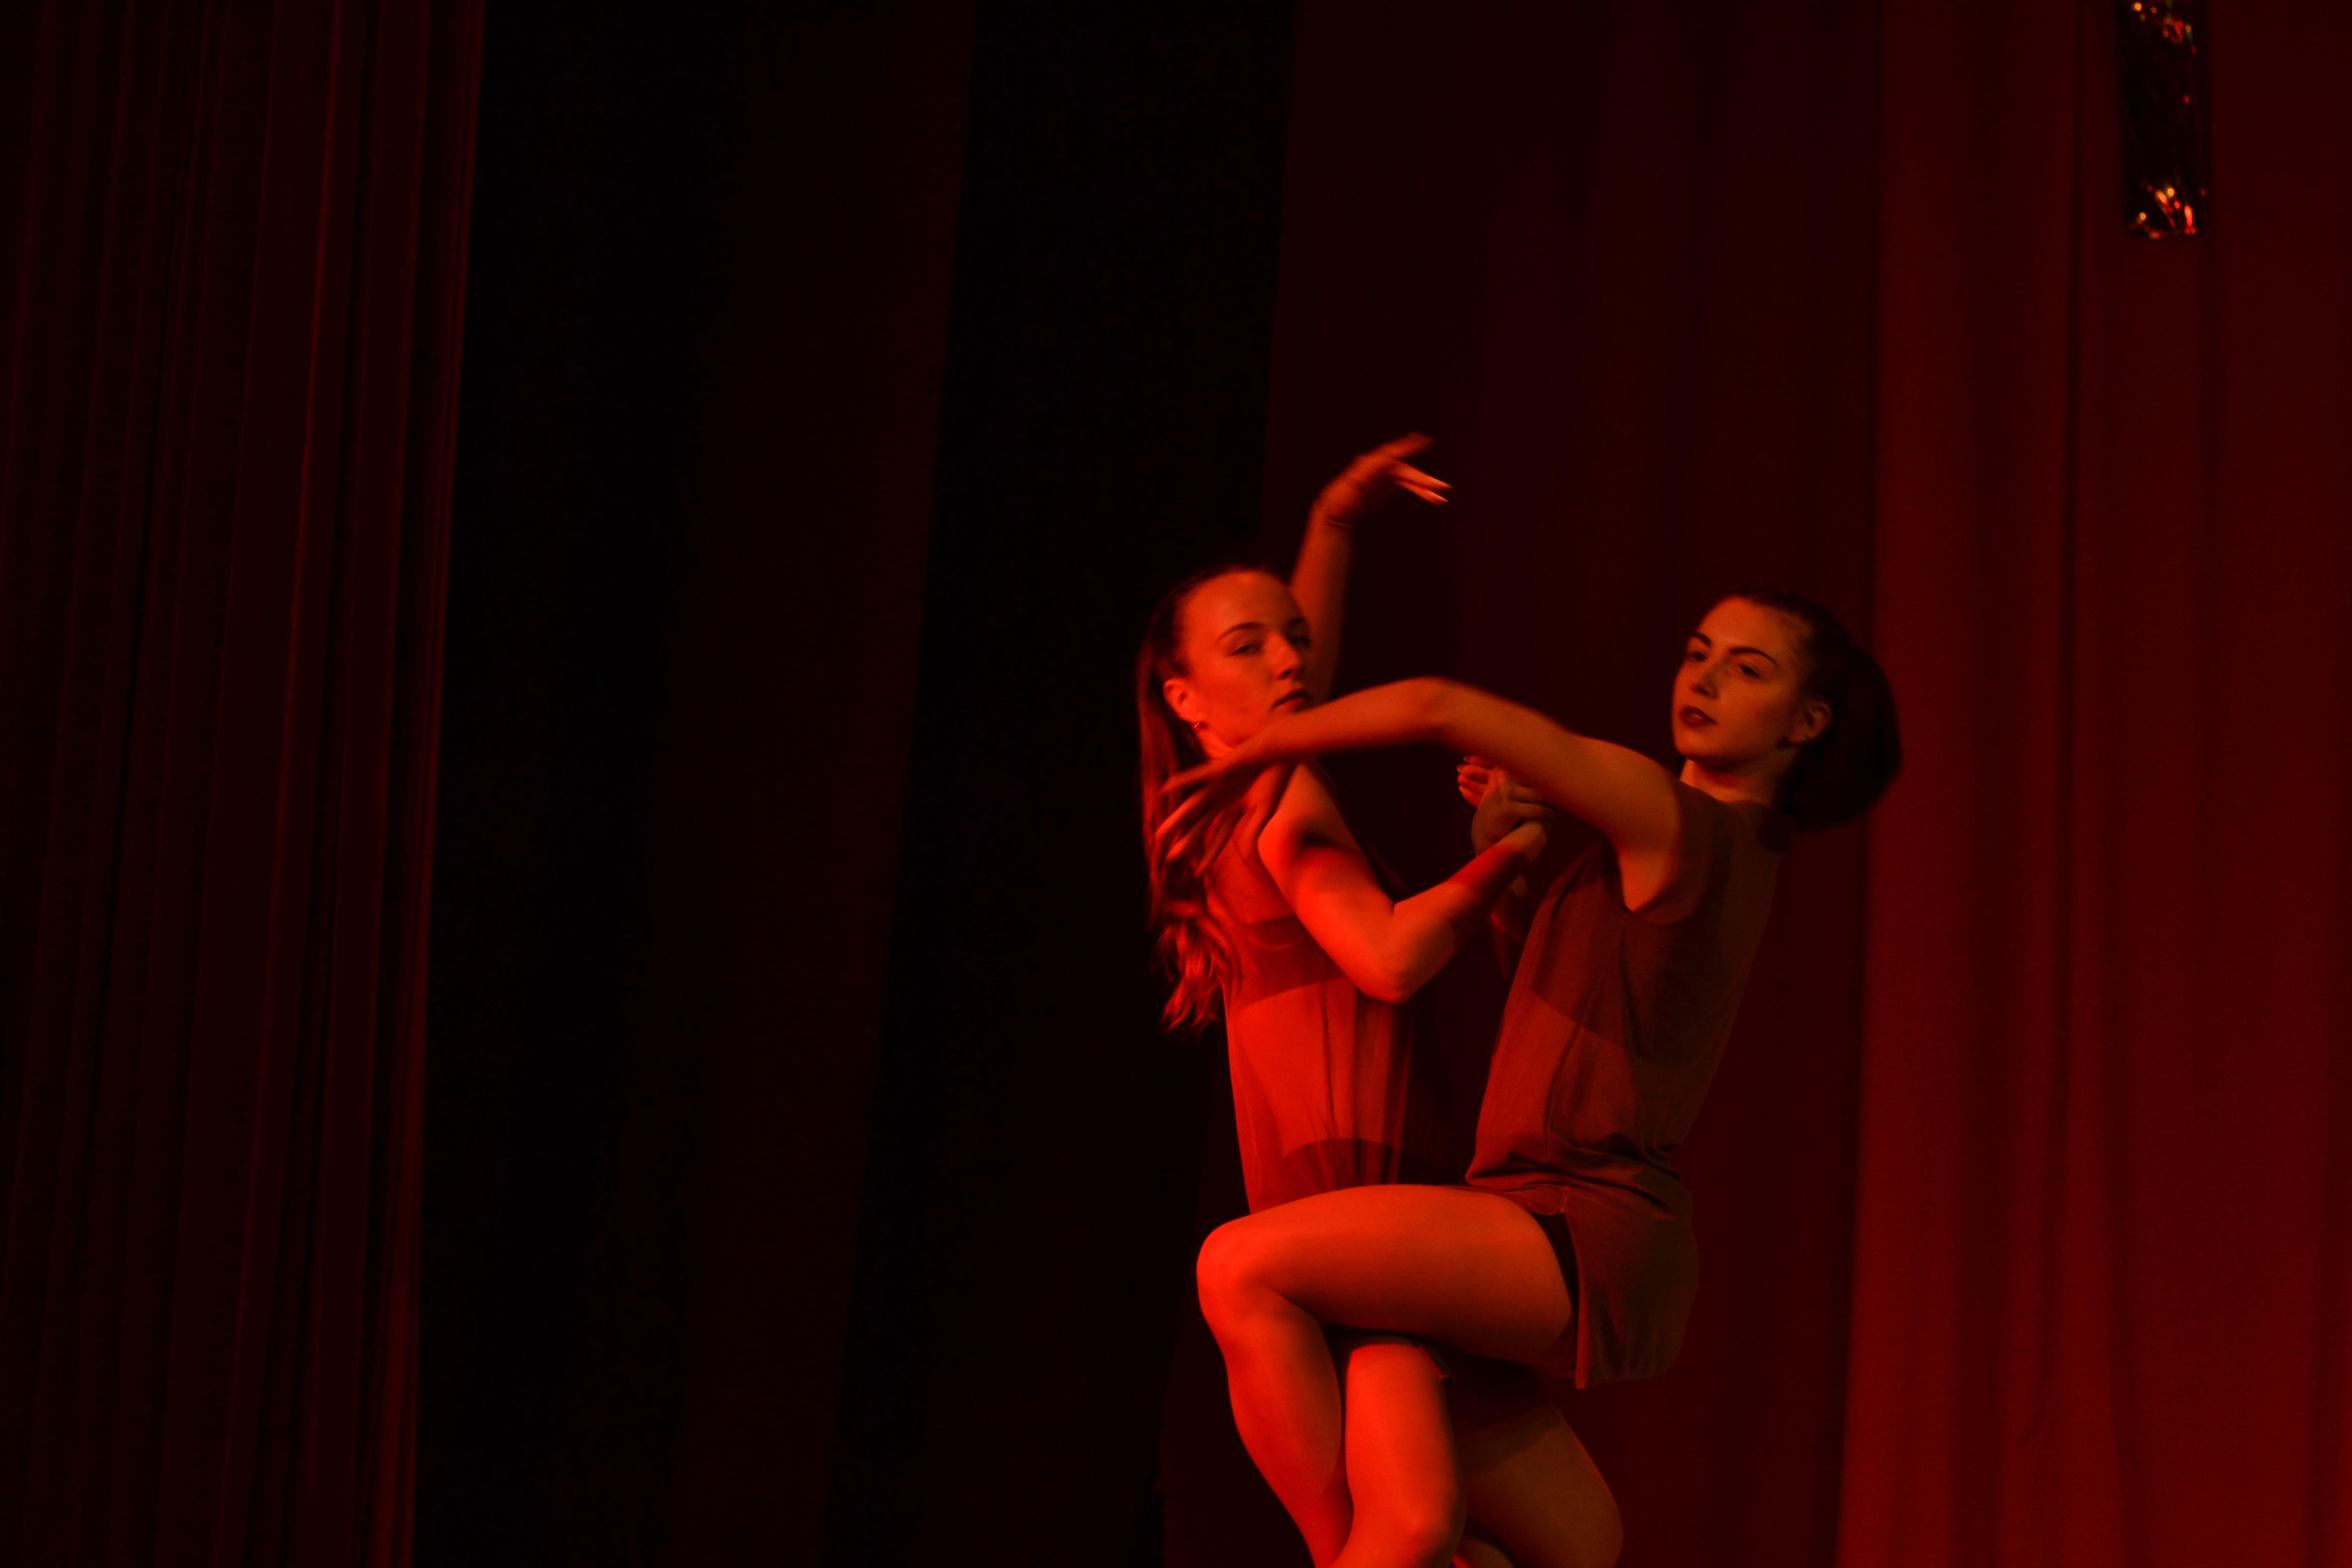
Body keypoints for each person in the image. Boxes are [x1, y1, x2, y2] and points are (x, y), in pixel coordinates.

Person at [1159, 591, 1901, 1568]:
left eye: (1748, 669)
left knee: (1240, 1267)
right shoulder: (1677, 853)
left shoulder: (1684, 829)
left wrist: (1255, 752)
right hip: (1538, 1211)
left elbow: (1436, 706)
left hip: (1577, 1218)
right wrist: (1504, 866)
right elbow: (1556, 1016)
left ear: (1806, 724)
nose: (1707, 680)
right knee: (1552, 1543)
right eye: (1698, 653)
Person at [1140, 437, 1559, 1568]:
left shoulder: (1220, 806)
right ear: (1184, 697)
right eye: (1249, 646)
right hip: (1358, 1201)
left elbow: (1296, 687)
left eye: (1295, 636)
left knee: (1525, 1542)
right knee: (1408, 1534)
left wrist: (1334, 518)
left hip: (1344, 1197)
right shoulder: (1280, 792)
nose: (1288, 659)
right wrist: (1509, 854)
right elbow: (1386, 957)